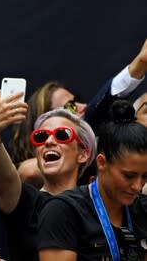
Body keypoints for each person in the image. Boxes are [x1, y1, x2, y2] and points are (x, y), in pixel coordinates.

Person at [10, 40, 147, 188]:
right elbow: (28, 172)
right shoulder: (30, 170)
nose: (83, 106)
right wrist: (138, 64)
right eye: (70, 106)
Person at [0, 90, 96, 261]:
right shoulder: (24, 200)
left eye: (62, 135)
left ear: (83, 154)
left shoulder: (96, 206)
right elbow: (5, 174)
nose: (49, 141)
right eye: (41, 137)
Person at [38, 100, 147, 260]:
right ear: (101, 162)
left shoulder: (144, 209)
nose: (137, 186)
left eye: (145, 176)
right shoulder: (63, 211)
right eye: (128, 176)